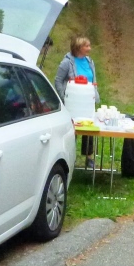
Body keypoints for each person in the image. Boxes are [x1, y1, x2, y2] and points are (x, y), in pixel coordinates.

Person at [55, 36, 100, 169]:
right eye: (87, 46)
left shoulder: (89, 61)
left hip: (87, 100)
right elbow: (58, 80)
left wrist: (94, 94)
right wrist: (63, 96)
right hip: (73, 101)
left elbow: (93, 79)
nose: (89, 49)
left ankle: (89, 157)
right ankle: (71, 156)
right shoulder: (67, 62)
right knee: (73, 128)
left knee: (89, 126)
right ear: (79, 47)